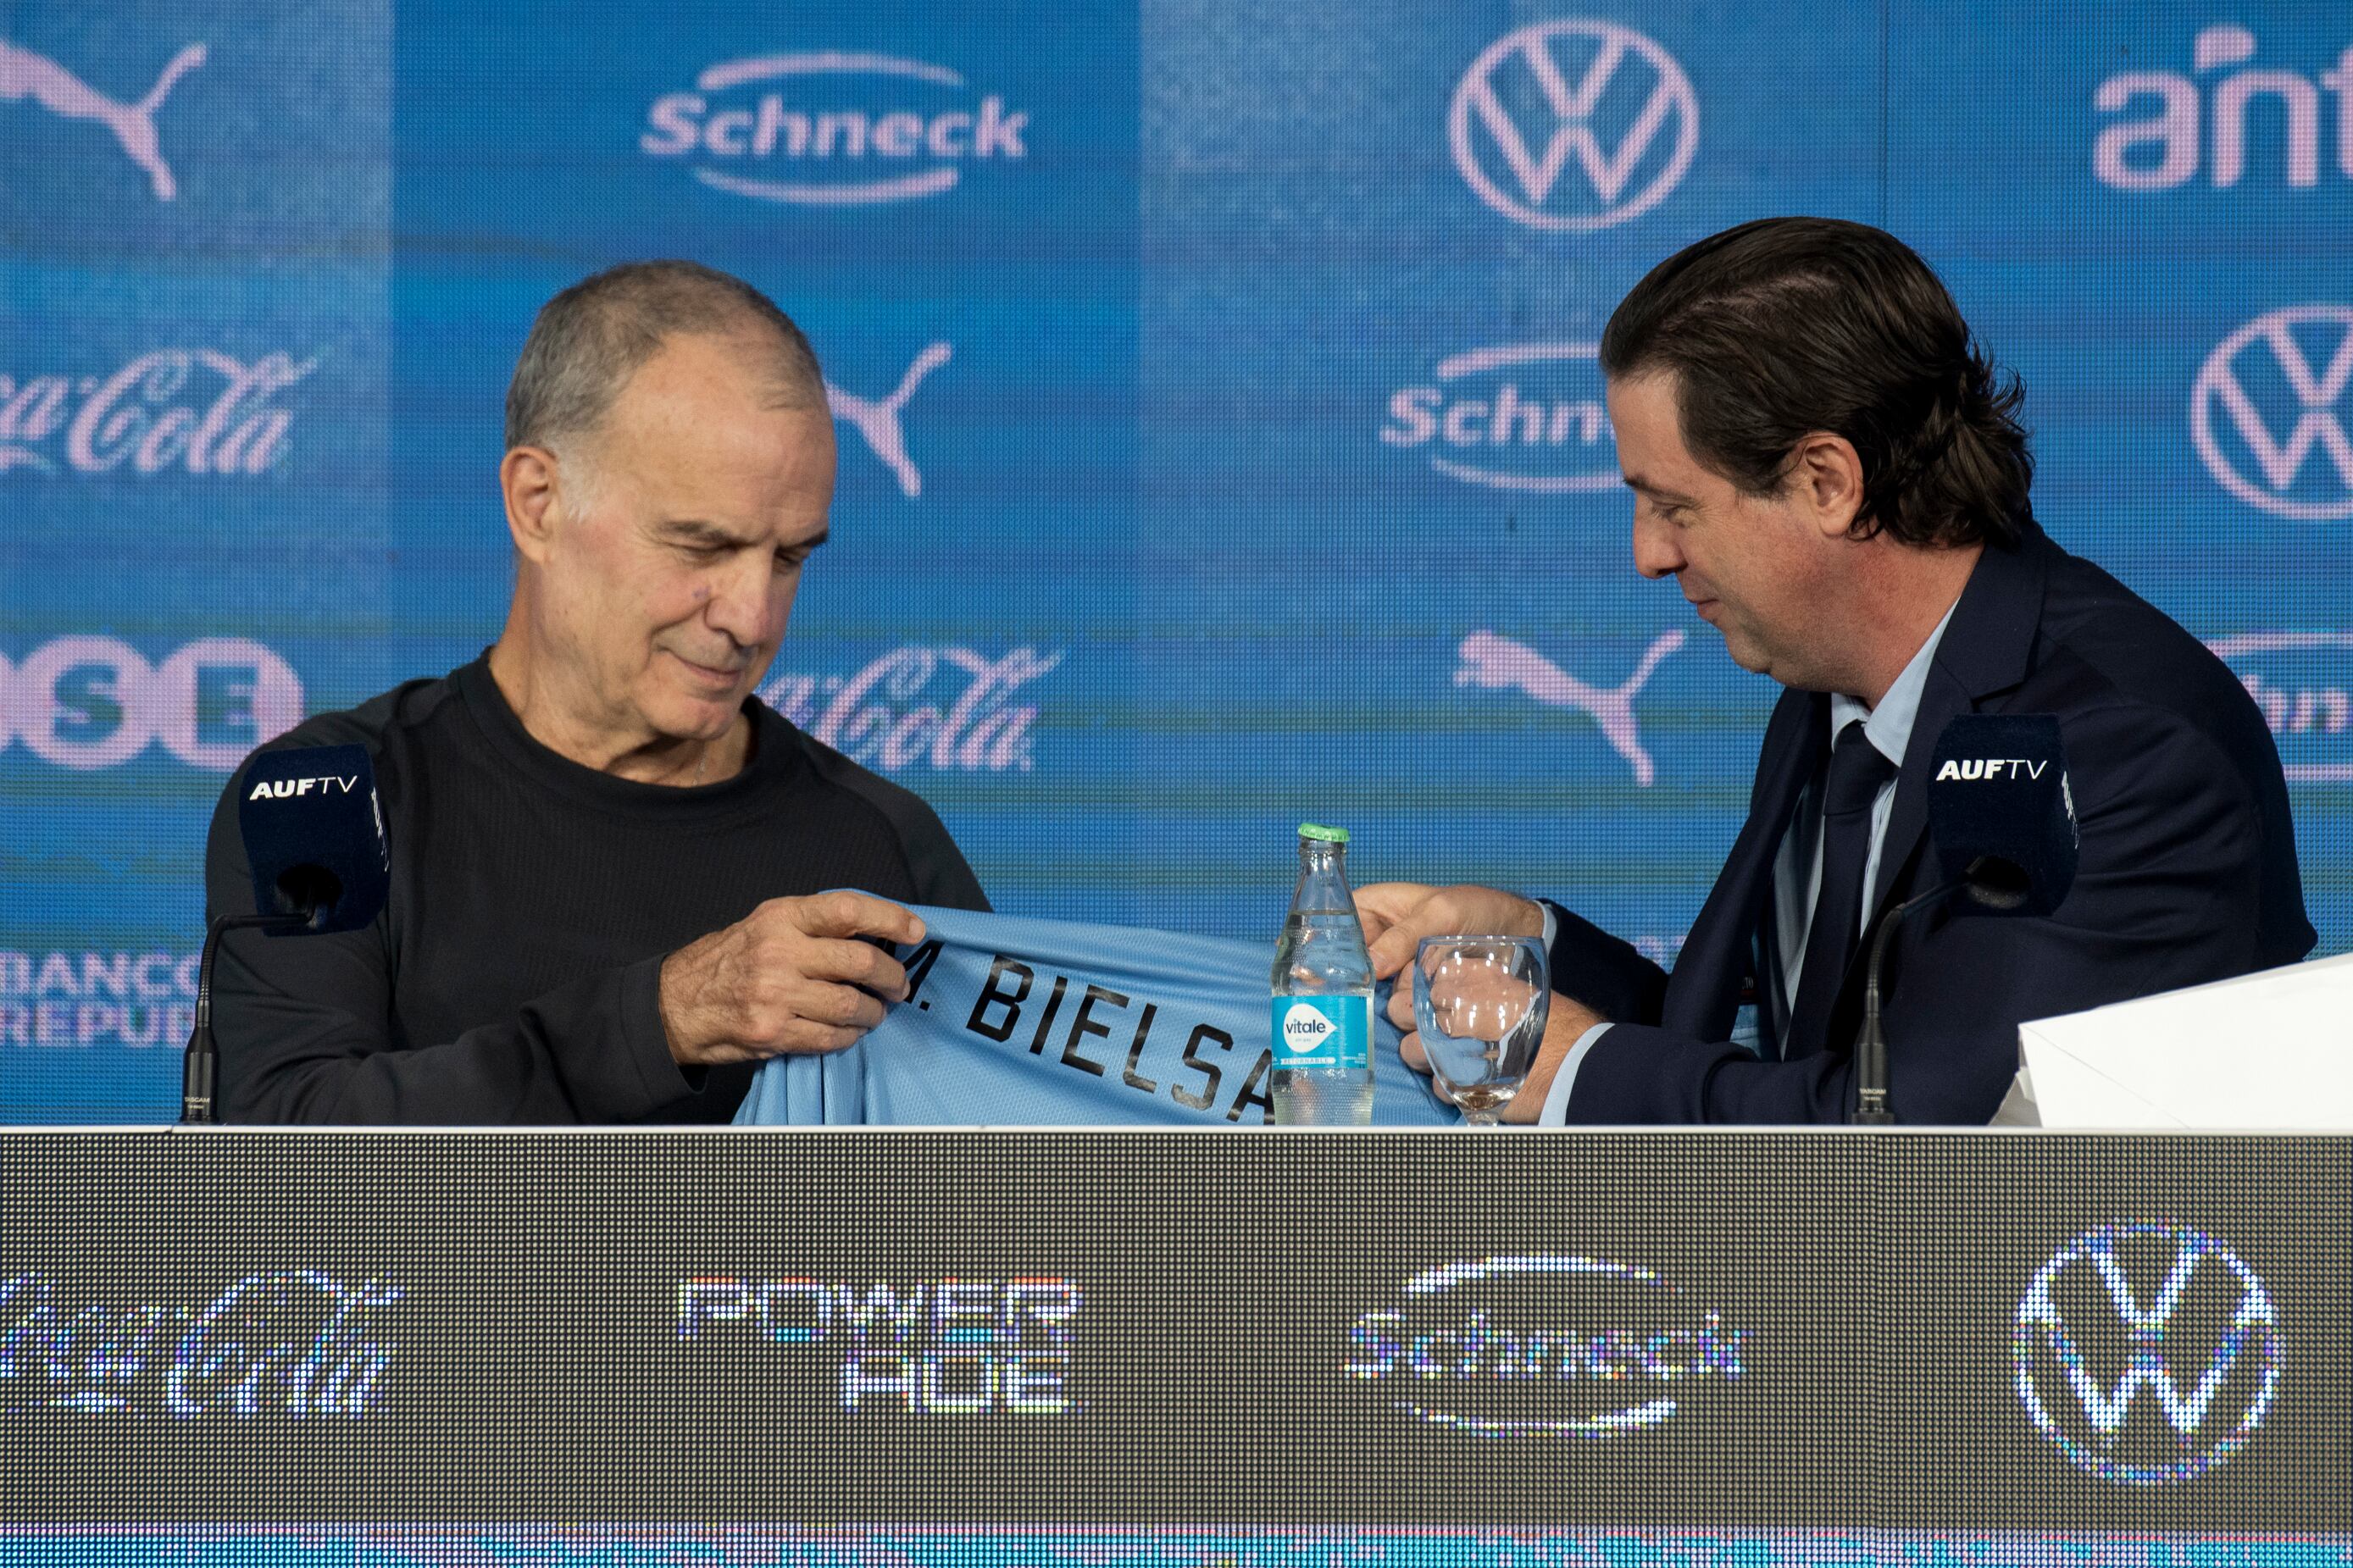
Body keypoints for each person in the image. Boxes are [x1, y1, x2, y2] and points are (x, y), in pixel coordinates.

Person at [1360, 218, 2313, 1124]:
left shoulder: (2113, 748)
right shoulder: (1836, 685)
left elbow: (1920, 1137)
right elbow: (1794, 1068)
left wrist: (1568, 1065)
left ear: (1824, 481)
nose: (1647, 554)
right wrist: (1533, 951)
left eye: (1674, 507)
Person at [205, 260, 986, 1122]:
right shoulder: (326, 795)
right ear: (537, 502)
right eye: (701, 547)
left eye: (790, 558)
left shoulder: (887, 849)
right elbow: (272, 1154)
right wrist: (659, 1022)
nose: (752, 617)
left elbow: (1003, 1213)